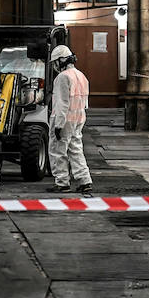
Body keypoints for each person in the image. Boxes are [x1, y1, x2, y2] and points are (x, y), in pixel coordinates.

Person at [48, 45, 93, 193]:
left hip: (64, 120)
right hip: (78, 119)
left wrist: (58, 125)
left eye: (55, 62)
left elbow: (62, 103)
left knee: (57, 150)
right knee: (76, 149)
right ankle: (85, 180)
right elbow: (84, 102)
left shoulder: (62, 77)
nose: (54, 66)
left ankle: (62, 182)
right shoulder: (81, 76)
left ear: (61, 60)